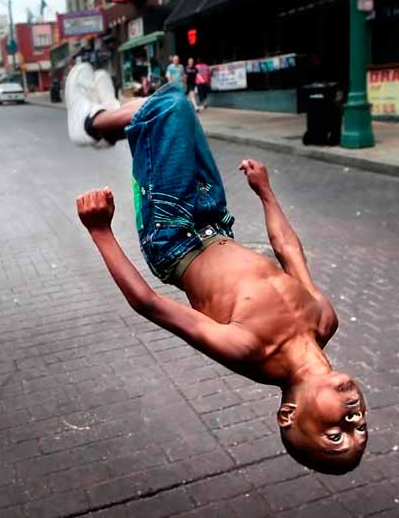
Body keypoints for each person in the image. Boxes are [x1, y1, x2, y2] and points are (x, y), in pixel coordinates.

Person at [65, 63, 367, 474]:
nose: (353, 421)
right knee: (173, 115)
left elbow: (150, 305)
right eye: (360, 429)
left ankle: (94, 122)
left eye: (335, 436)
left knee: (171, 105)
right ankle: (114, 117)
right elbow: (290, 252)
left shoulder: (250, 350)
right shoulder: (325, 321)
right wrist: (266, 193)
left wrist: (100, 231)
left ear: (289, 414)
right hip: (213, 217)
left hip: (173, 236)